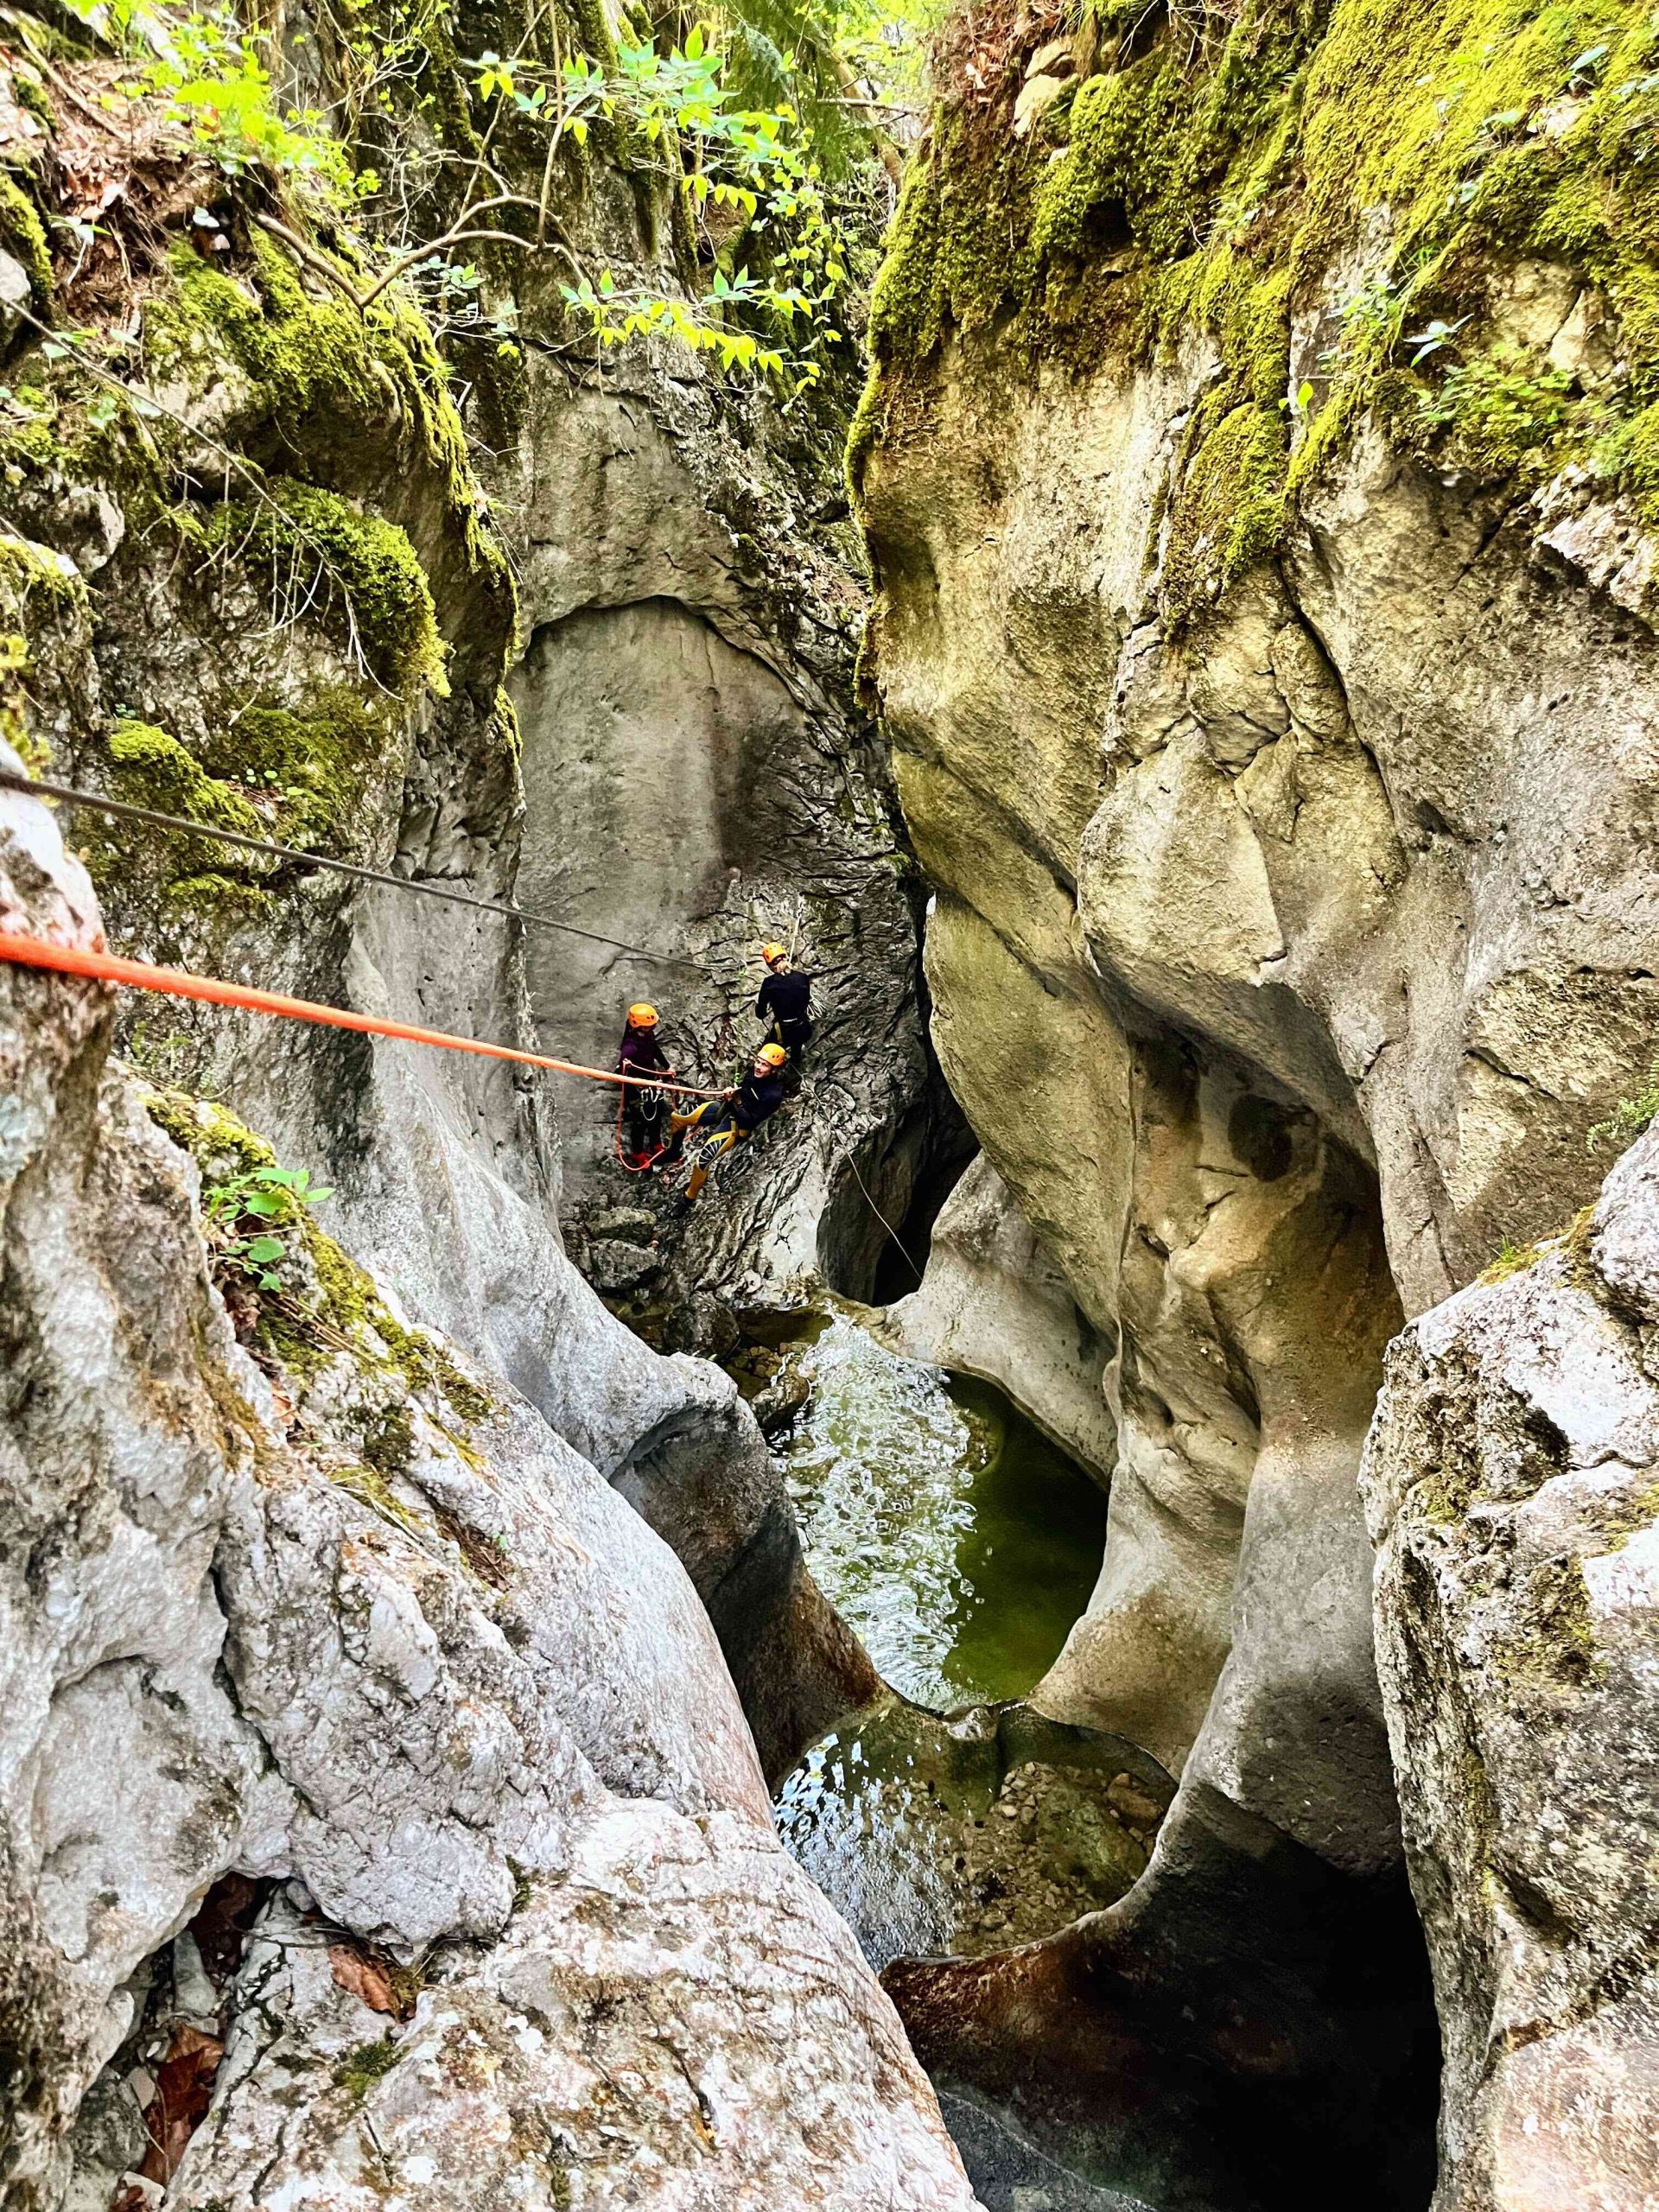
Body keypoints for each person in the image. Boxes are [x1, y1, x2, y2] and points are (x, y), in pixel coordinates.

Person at [670, 1042, 789, 1200]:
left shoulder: (772, 1095)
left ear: (774, 1069)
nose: (758, 1067)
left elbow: (750, 1120)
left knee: (702, 1161)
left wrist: (734, 1101)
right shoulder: (753, 1074)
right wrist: (732, 1093)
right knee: (678, 1118)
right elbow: (742, 1087)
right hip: (725, 1109)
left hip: (737, 1125)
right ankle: (673, 1152)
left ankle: (688, 1198)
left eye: (764, 1065)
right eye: (758, 1061)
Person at [617, 1002, 676, 1166]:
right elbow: (619, 1070)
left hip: (650, 1083)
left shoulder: (648, 1037)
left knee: (656, 1114)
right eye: (649, 1026)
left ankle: (655, 1144)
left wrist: (667, 1067)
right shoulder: (630, 1046)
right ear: (639, 1026)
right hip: (635, 1089)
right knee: (640, 1122)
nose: (652, 1027)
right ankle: (638, 1153)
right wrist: (625, 1065)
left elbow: (655, 1050)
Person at [755, 942, 817, 1065]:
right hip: (802, 1028)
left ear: (770, 966)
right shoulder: (803, 977)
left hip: (782, 1032)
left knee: (765, 1055)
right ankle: (795, 1066)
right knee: (796, 1048)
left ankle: (772, 1075)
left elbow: (760, 1014)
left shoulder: (769, 983)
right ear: (786, 956)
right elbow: (805, 1001)